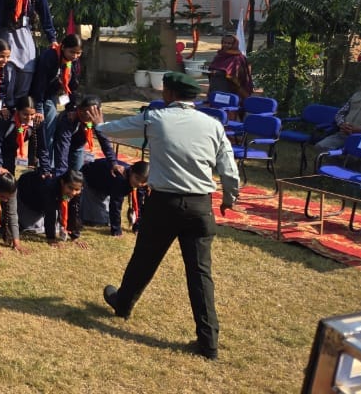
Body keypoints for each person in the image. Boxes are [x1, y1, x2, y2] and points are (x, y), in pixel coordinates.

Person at [95, 72, 239, 360]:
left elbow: (115, 130)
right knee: (200, 274)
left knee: (144, 258)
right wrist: (228, 198)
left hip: (164, 204)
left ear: (169, 94)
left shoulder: (156, 119)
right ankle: (209, 343)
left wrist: (100, 124)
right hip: (200, 206)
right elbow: (229, 168)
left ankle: (123, 303)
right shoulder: (213, 125)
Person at [30, 34, 84, 148]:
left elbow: (72, 86)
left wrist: (71, 108)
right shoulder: (49, 57)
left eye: (78, 53)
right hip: (40, 95)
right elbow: (39, 84)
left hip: (54, 94)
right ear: (63, 47)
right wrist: (39, 108)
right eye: (72, 52)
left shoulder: (71, 61)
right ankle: (45, 163)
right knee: (48, 128)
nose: (75, 56)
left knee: (52, 129)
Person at [47, 96, 116, 176]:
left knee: (77, 174)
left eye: (91, 113)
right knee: (57, 170)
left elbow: (104, 141)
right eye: (84, 111)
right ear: (79, 109)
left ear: (97, 113)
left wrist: (113, 162)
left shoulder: (97, 120)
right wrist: (61, 173)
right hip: (58, 144)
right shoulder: (69, 118)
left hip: (77, 147)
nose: (86, 115)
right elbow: (63, 146)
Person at [16, 168, 86, 246]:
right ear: (62, 182)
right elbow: (50, 214)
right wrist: (51, 238)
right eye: (70, 188)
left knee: (53, 224)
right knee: (31, 228)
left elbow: (73, 211)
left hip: (45, 200)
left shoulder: (75, 191)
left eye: (77, 189)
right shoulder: (51, 187)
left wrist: (74, 237)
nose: (73, 192)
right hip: (27, 194)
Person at [81, 158, 150, 236]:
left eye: (143, 182)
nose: (139, 183)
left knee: (106, 220)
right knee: (96, 222)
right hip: (90, 179)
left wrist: (137, 226)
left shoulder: (142, 183)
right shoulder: (120, 178)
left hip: (107, 186)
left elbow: (139, 205)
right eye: (137, 178)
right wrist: (116, 230)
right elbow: (115, 205)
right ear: (131, 171)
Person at [313, 69, 361, 151]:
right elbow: (340, 113)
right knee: (320, 147)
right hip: (343, 134)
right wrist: (342, 124)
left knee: (352, 157)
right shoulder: (357, 95)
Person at [0, 95, 45, 174]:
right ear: (17, 111)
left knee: (9, 175)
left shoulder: (36, 123)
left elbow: (42, 147)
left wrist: (45, 169)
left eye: (32, 114)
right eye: (25, 114)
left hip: (10, 148)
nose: (29, 118)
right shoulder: (5, 118)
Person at [206, 34, 253, 101]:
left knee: (226, 106)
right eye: (224, 43)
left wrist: (220, 72)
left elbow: (235, 74)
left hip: (229, 88)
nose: (226, 45)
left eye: (229, 43)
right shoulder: (220, 55)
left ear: (234, 44)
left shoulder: (237, 57)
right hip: (216, 85)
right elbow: (213, 66)